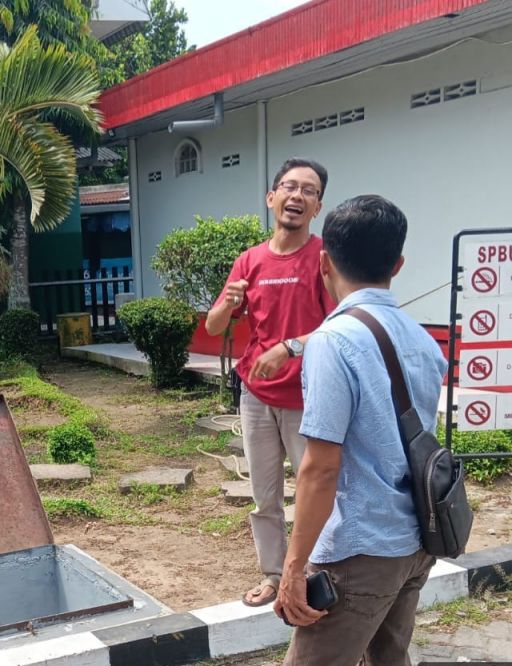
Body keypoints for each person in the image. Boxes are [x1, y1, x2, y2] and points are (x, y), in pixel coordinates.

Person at [274, 195, 446, 666]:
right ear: (398, 264)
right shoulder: (422, 339)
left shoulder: (333, 342)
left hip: (360, 550)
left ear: (324, 262)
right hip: (415, 538)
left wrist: (293, 569)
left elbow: (321, 469)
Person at [204, 158, 336, 607]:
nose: (297, 195)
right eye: (289, 186)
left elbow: (341, 325)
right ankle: (274, 575)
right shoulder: (250, 260)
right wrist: (229, 303)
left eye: (309, 190)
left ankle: (318, 573)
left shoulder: (324, 259)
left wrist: (289, 347)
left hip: (307, 397)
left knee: (315, 492)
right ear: (271, 197)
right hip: (256, 397)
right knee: (264, 497)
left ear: (317, 207)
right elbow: (214, 324)